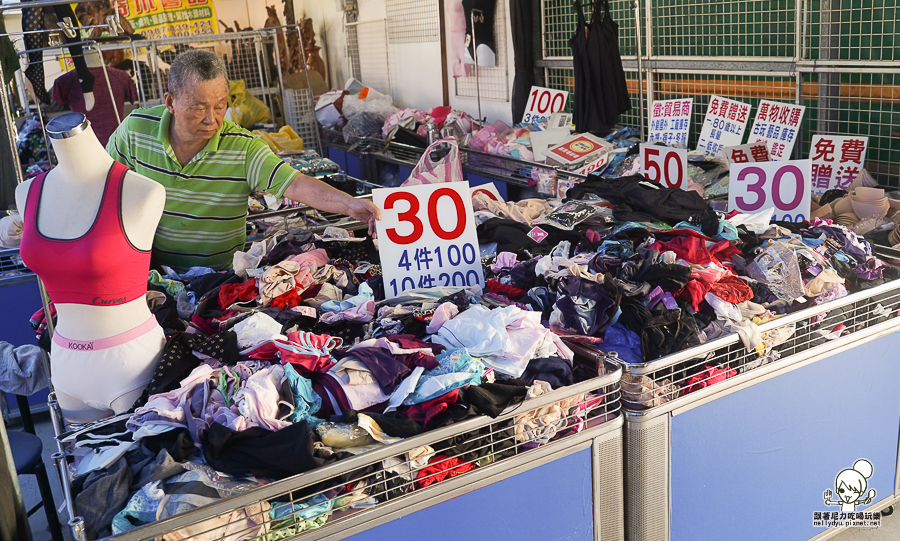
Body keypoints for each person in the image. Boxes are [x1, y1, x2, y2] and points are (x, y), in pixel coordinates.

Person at [107, 49, 381, 272]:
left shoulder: (243, 147)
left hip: (218, 278)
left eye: (220, 106)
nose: (211, 119)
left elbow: (296, 185)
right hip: (147, 272)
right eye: (198, 107)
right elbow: (103, 177)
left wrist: (351, 205)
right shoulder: (135, 130)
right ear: (170, 102)